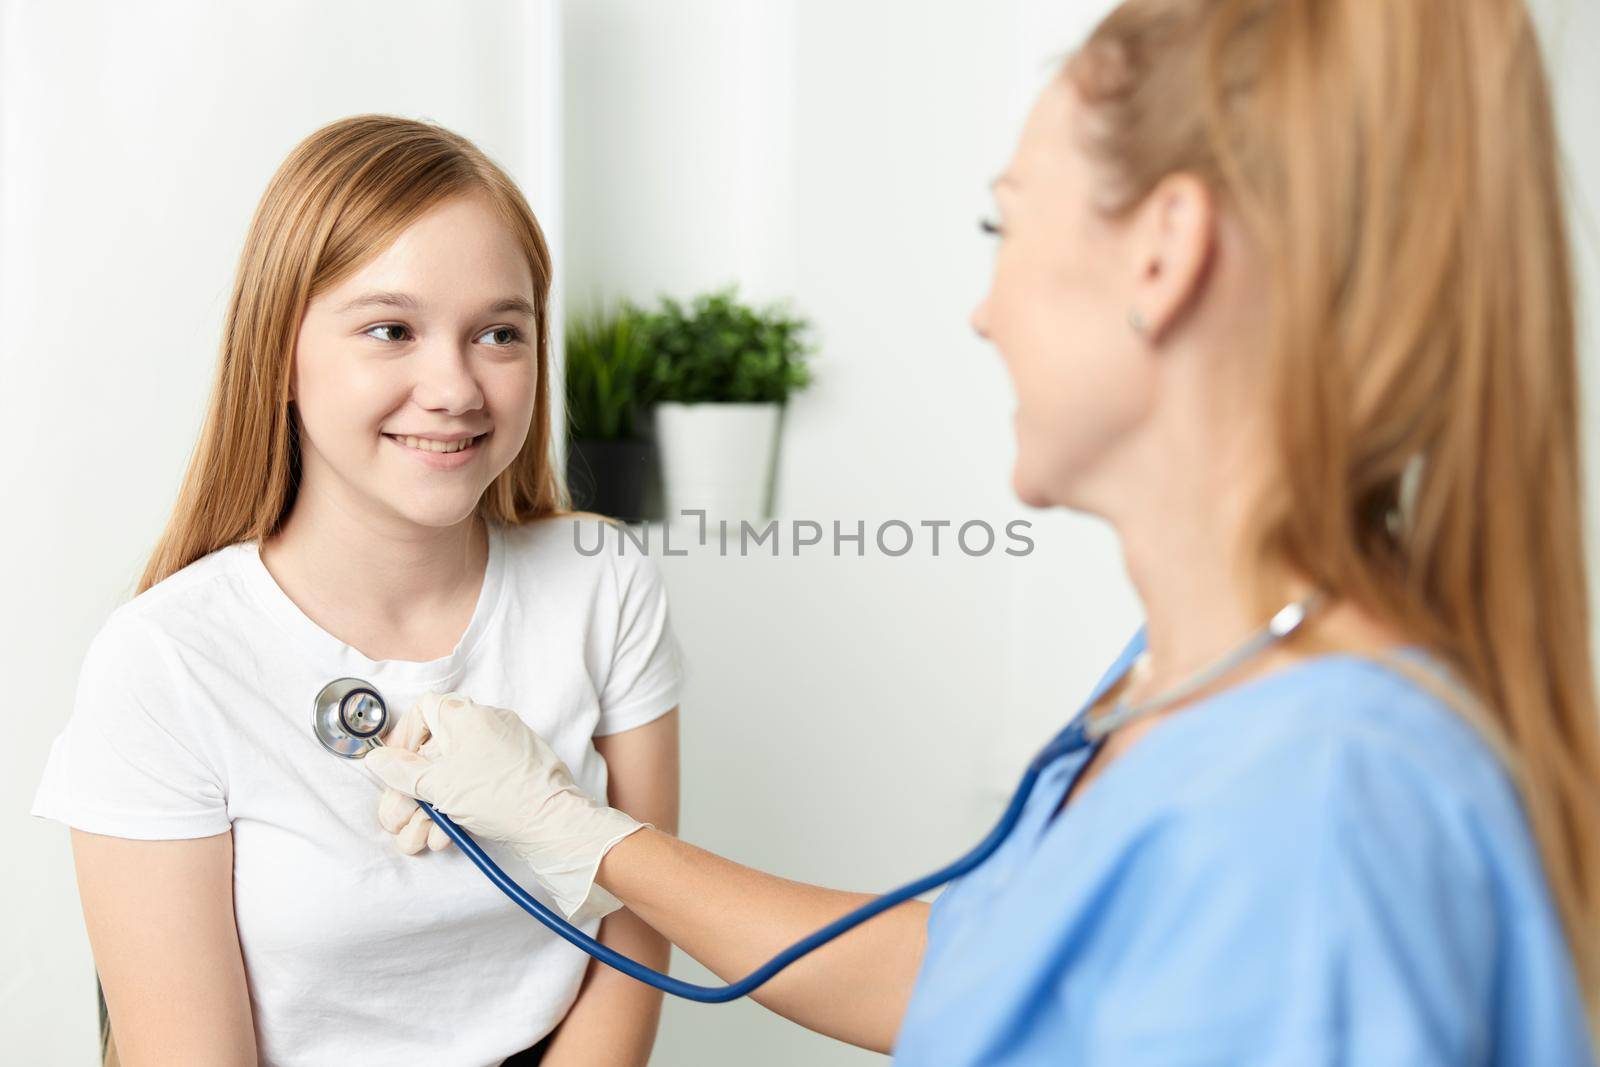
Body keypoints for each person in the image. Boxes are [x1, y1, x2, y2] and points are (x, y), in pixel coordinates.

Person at [364, 0, 1600, 1063]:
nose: (982, 311)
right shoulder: (1188, 690)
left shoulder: (1321, 800)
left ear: (1162, 257)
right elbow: (971, 976)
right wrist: (580, 831)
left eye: (1001, 229)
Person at [30, 116, 685, 1065]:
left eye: (499, 333)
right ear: (279, 354)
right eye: (392, 329)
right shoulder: (163, 662)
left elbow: (640, 925)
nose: (455, 385)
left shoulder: (601, 581)